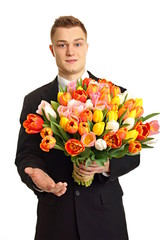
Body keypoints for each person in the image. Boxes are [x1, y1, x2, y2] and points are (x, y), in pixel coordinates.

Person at [15, 16, 140, 240]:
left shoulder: (115, 93)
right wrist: (37, 177)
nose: (70, 51)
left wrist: (106, 164)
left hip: (105, 219)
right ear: (52, 50)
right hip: (56, 218)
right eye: (62, 45)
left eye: (77, 43)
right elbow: (26, 155)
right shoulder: (34, 100)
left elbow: (133, 153)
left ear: (86, 47)